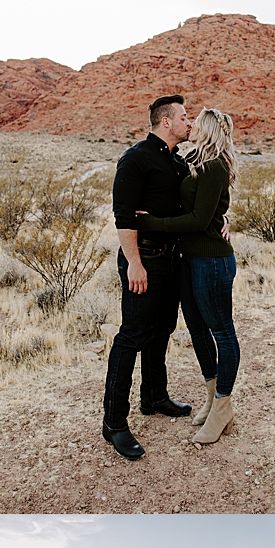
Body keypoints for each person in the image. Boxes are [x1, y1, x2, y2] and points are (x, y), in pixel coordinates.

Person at [134, 107, 240, 445]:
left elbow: (197, 219)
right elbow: (201, 209)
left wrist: (152, 223)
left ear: (209, 128)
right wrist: (222, 216)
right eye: (187, 118)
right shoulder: (194, 159)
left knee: (222, 332)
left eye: (196, 121)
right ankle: (212, 396)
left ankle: (223, 405)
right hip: (190, 259)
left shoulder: (214, 165)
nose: (190, 123)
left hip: (212, 261)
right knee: (196, 328)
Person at [101, 95, 194, 461]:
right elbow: (124, 216)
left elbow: (191, 205)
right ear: (166, 122)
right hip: (146, 259)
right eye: (185, 117)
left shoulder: (177, 162)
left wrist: (221, 219)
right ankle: (114, 424)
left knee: (162, 330)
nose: (190, 122)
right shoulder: (136, 158)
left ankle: (154, 398)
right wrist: (134, 263)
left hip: (172, 260)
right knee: (132, 337)